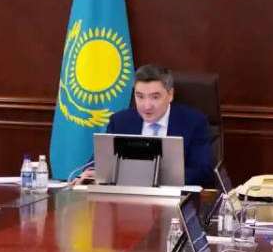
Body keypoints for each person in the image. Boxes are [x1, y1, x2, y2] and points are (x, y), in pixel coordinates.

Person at [78, 64, 214, 188]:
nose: (146, 106)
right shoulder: (120, 121)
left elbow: (203, 173)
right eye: (140, 96)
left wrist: (148, 175)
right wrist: (92, 173)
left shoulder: (194, 122)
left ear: (170, 95)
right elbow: (97, 163)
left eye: (155, 97)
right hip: (127, 197)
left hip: (174, 198)